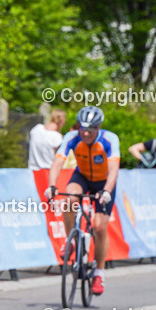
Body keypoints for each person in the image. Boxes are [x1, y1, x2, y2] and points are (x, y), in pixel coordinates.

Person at [43, 105, 120, 296]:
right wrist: (51, 185)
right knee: (69, 199)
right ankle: (72, 241)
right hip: (83, 176)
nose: (85, 133)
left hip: (104, 182)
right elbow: (58, 162)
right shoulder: (72, 137)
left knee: (100, 227)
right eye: (81, 128)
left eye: (90, 129)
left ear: (98, 127)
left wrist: (107, 191)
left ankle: (99, 273)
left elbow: (113, 171)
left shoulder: (109, 139)